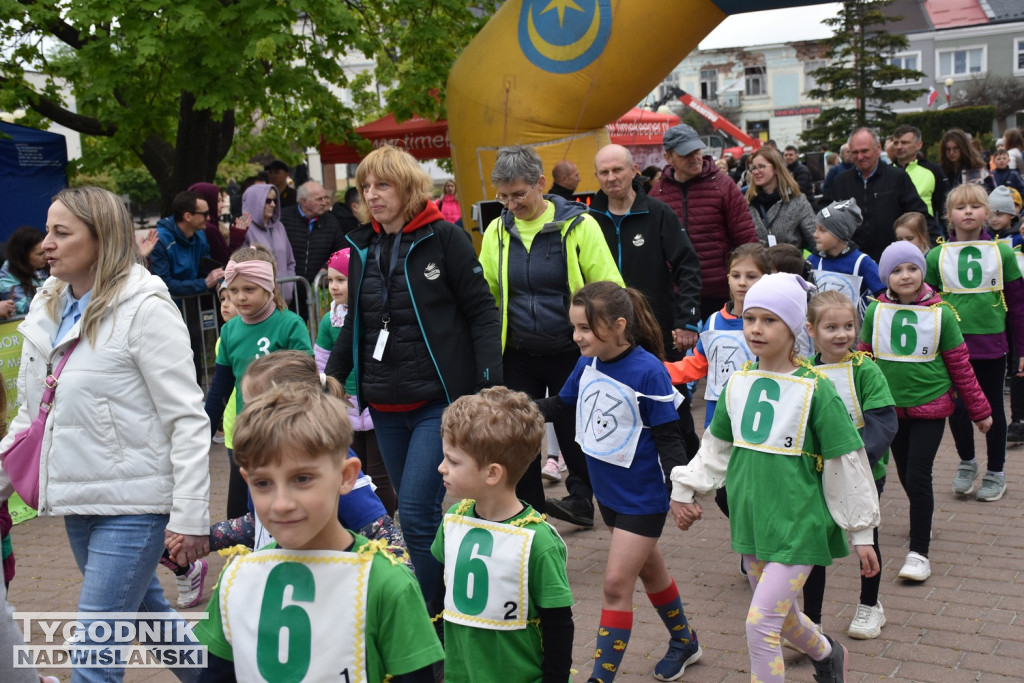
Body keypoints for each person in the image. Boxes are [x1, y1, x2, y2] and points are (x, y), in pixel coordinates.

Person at [0, 186, 211, 682]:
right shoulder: (46, 307)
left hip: (135, 508)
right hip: (81, 503)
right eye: (47, 231)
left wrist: (191, 517)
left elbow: (187, 418)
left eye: (61, 232)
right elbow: (32, 417)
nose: (46, 243)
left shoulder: (145, 309)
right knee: (152, 620)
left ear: (102, 239)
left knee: (94, 654)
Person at [669, 272, 880, 682]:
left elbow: (846, 463)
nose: (756, 329)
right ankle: (828, 654)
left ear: (795, 327)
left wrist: (862, 532)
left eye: (770, 320)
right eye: (751, 319)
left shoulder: (816, 390)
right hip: (753, 523)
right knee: (784, 619)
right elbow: (715, 448)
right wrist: (685, 487)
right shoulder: (739, 383)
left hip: (799, 525)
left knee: (761, 624)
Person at [324, 144, 502, 603]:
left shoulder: (445, 238)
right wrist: (336, 373)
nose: (372, 195)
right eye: (365, 187)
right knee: (416, 513)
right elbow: (358, 322)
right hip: (383, 403)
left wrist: (487, 381)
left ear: (407, 187)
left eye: (382, 185)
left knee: (418, 514)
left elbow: (483, 312)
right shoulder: (362, 245)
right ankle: (449, 598)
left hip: (436, 400)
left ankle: (432, 621)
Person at [194, 384, 443, 682]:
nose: (281, 504)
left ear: (346, 476)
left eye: (301, 478)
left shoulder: (388, 584)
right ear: (246, 480)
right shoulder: (236, 580)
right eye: (263, 483)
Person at [539, 282, 701, 683]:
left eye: (585, 329)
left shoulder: (648, 371)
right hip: (607, 495)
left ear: (618, 325)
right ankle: (685, 642)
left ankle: (599, 678)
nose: (576, 337)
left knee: (615, 584)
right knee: (651, 571)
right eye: (574, 327)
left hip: (643, 498)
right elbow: (562, 404)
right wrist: (512, 404)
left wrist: (680, 492)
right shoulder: (587, 362)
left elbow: (670, 438)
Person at [479, 144, 622, 529]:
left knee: (574, 429)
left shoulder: (581, 225)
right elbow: (486, 290)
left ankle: (581, 500)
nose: (510, 204)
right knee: (518, 428)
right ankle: (529, 508)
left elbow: (608, 287)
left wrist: (608, 343)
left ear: (541, 183)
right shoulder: (497, 231)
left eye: (519, 194)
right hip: (518, 350)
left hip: (570, 350)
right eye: (503, 196)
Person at [858, 241, 991, 581]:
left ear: (923, 271)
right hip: (888, 411)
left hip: (931, 407)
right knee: (905, 472)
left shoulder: (942, 313)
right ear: (886, 276)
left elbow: (960, 365)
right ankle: (923, 521)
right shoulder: (875, 311)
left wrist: (979, 410)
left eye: (912, 268)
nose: (906, 275)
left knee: (918, 475)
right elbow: (862, 360)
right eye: (897, 270)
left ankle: (919, 553)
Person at [431, 387, 574, 683]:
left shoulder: (538, 541)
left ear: (492, 473)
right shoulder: (453, 520)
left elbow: (558, 623)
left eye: (453, 461)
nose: (441, 467)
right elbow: (440, 594)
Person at [804, 290, 897, 640]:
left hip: (864, 472)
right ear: (811, 329)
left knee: (866, 536)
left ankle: (870, 605)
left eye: (848, 326)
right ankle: (812, 619)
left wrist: (856, 460)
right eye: (831, 327)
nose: (841, 334)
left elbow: (884, 421)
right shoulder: (805, 372)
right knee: (815, 544)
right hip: (817, 474)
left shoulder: (866, 370)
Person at [924, 184, 1024, 502]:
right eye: (960, 207)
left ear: (987, 213)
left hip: (991, 345)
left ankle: (996, 471)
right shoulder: (936, 256)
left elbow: (1019, 307)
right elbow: (925, 306)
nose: (968, 212)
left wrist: (1021, 349)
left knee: (992, 405)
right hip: (951, 348)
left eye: (975, 206)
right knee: (957, 407)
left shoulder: (1003, 252)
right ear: (948, 215)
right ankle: (967, 462)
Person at [203, 244, 312, 519]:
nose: (240, 298)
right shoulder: (229, 331)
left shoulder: (290, 324)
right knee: (239, 516)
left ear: (269, 288)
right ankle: (246, 561)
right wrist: (200, 432)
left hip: (286, 434)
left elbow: (307, 380)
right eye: (233, 291)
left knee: (282, 511)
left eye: (249, 290)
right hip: (245, 436)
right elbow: (220, 390)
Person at [314, 249, 395, 516]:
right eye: (330, 280)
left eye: (342, 280)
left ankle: (385, 527)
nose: (334, 286)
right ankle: (362, 523)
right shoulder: (330, 320)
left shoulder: (377, 312)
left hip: (376, 404)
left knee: (381, 476)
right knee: (355, 472)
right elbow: (321, 363)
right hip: (344, 407)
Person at [651, 123, 758, 321]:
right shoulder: (658, 193)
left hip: (720, 291)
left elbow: (747, 241)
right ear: (668, 157)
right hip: (677, 294)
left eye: (697, 150)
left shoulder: (723, 186)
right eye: (686, 154)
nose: (695, 158)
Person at [665, 243, 770, 429]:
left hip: (757, 422)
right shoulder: (713, 321)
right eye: (736, 276)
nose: (742, 282)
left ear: (767, 279)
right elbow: (699, 364)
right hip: (717, 422)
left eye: (751, 276)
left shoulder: (772, 323)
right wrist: (657, 371)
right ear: (728, 278)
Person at [827, 128, 938, 261]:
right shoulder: (840, 182)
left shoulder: (897, 177)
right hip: (852, 263)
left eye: (864, 151)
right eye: (855, 152)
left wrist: (937, 247)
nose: (860, 157)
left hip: (893, 261)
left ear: (878, 148)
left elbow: (920, 215)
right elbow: (825, 218)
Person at [807, 199, 886, 321]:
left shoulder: (862, 262)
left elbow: (883, 296)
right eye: (816, 229)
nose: (815, 234)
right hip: (821, 331)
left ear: (840, 234)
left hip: (855, 332)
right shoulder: (813, 260)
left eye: (822, 230)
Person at [280, 180, 346, 319]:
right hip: (288, 289)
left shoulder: (331, 221)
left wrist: (327, 267)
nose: (324, 202)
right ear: (304, 201)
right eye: (319, 199)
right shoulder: (283, 218)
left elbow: (340, 251)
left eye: (325, 198)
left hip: (316, 288)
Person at [151, 191, 225, 298]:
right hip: (170, 308)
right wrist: (204, 284)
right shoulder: (160, 240)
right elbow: (163, 284)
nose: (209, 218)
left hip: (195, 304)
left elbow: (206, 270)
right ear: (188, 216)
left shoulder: (200, 235)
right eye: (205, 214)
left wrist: (218, 283)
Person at [745, 147, 817, 252]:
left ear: (776, 169)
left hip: (789, 266)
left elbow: (816, 239)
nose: (756, 172)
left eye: (761, 167)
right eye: (753, 168)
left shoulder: (797, 201)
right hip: (756, 266)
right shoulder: (747, 203)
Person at [240, 182, 297, 304]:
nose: (273, 204)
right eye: (267, 200)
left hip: (284, 299)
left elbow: (290, 261)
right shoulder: (244, 228)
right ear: (256, 202)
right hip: (260, 301)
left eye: (275, 200)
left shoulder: (279, 227)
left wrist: (288, 286)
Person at [890, 124, 949, 224]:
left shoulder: (934, 171)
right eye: (896, 143)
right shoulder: (886, 171)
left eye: (904, 142)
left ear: (919, 145)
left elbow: (944, 206)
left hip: (925, 231)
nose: (899, 147)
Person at [0, 226, 46, 315]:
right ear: (23, 256)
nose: (46, 256)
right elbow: (22, 308)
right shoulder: (6, 276)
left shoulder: (42, 267)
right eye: (40, 254)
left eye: (46, 251)